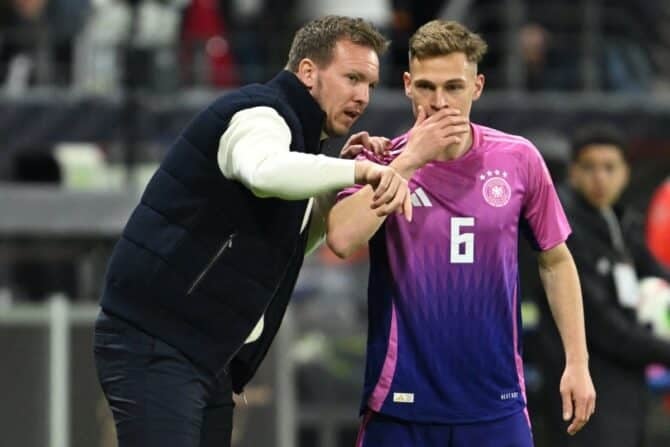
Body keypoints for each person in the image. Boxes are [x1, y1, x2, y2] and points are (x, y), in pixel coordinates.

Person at [93, 15, 412, 447]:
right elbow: (261, 171)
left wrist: (335, 182)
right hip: (157, 343)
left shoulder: (300, 143)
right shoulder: (261, 113)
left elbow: (290, 246)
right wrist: (355, 169)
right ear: (307, 72)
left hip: (206, 356)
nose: (362, 96)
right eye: (352, 78)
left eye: (370, 85)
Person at [326, 20, 596, 446]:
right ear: (408, 85)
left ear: (478, 86)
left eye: (454, 87)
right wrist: (410, 161)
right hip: (399, 407)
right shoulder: (379, 161)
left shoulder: (518, 159)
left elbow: (556, 259)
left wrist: (577, 362)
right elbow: (341, 239)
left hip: (495, 404)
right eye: (428, 87)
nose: (440, 103)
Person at [533, 124, 670, 447]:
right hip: (585, 388)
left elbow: (657, 271)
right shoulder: (564, 230)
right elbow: (601, 323)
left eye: (610, 168)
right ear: (573, 173)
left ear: (625, 173)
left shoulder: (623, 222)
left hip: (628, 383)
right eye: (590, 167)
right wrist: (664, 351)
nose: (600, 178)